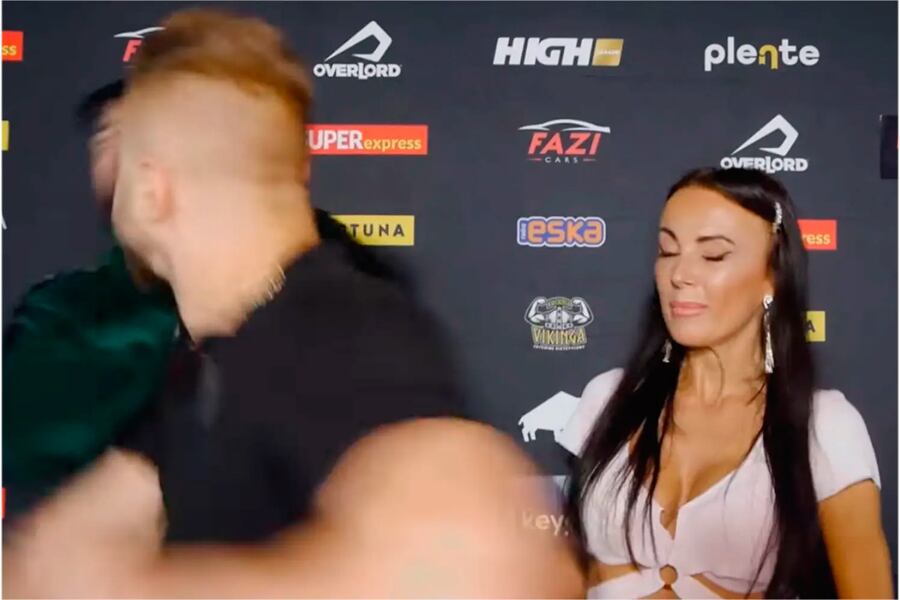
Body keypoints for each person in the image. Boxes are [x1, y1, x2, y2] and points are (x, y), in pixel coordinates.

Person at [105, 8, 465, 544]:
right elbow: (76, 539)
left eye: (117, 157)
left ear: (151, 191)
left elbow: (464, 560)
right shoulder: (205, 366)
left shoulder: (344, 332)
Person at [561, 167, 893, 598]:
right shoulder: (608, 399)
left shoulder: (824, 426)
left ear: (772, 275)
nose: (679, 274)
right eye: (667, 251)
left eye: (713, 255)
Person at [2, 80, 179, 522]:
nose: (118, 160)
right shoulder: (58, 308)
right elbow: (27, 435)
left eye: (140, 136)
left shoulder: (297, 288)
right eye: (105, 138)